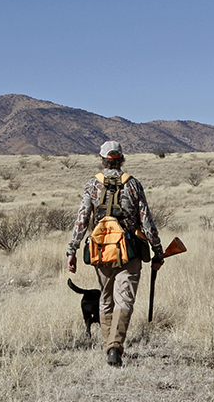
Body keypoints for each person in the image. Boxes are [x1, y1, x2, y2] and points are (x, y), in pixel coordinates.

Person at [67, 141, 164, 367]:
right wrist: (158, 250)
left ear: (102, 159)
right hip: (129, 251)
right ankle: (115, 347)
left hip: (100, 251)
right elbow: (146, 221)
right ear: (121, 159)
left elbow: (81, 220)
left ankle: (108, 346)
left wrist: (72, 250)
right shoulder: (133, 185)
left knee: (106, 297)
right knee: (125, 298)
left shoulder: (92, 185)